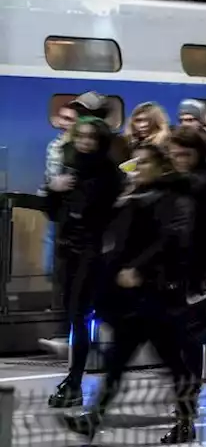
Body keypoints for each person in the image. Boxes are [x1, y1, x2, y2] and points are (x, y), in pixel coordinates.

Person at [62, 144, 199, 444]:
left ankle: (186, 421)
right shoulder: (136, 196)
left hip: (160, 294)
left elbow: (169, 240)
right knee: (119, 361)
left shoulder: (175, 198)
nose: (139, 168)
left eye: (146, 163)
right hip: (136, 298)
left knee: (172, 363)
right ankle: (95, 418)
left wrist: (138, 268)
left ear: (162, 167)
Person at [45, 118, 124, 408]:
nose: (85, 142)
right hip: (68, 251)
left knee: (81, 316)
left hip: (94, 254)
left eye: (92, 137)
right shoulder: (70, 168)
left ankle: (76, 379)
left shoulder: (109, 174)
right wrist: (54, 189)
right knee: (74, 315)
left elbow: (112, 217)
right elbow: (53, 213)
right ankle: (82, 376)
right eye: (81, 136)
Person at [168, 126, 206, 385]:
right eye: (176, 155)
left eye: (187, 155)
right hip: (170, 271)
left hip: (198, 272)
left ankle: (187, 401)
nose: (181, 160)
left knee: (191, 338)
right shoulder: (169, 182)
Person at [41, 101, 77, 281]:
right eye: (62, 117)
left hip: (72, 208)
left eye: (68, 119)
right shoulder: (54, 145)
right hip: (56, 205)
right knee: (51, 242)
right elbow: (50, 176)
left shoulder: (78, 147)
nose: (63, 123)